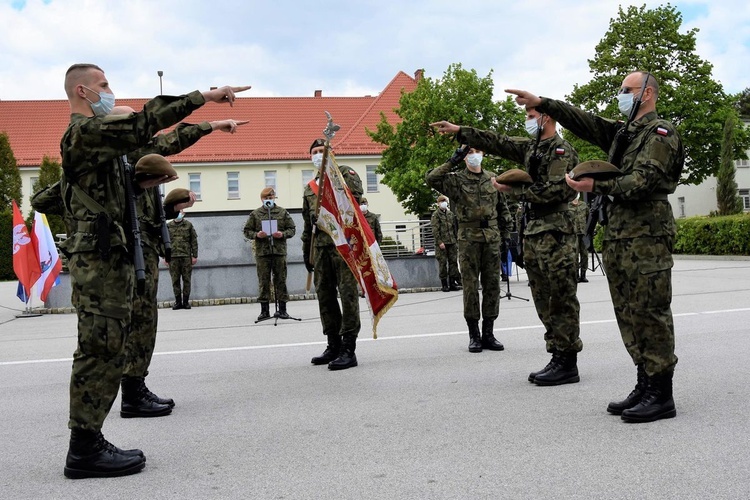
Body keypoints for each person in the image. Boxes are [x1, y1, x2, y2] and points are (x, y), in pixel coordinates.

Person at [58, 62, 249, 479]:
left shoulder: (102, 145)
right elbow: (147, 123)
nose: (109, 91)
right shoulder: (83, 134)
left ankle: (90, 441)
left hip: (112, 258)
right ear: (81, 92)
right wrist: (204, 97)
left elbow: (159, 138)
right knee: (99, 350)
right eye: (103, 85)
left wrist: (209, 124)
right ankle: (84, 449)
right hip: (99, 262)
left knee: (109, 348)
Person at [506, 71, 684, 422]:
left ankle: (662, 392)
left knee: (650, 312)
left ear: (646, 94)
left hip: (647, 236)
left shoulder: (661, 132)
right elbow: (584, 122)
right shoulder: (625, 133)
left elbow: (642, 180)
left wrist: (595, 186)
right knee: (629, 312)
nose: (620, 96)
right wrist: (544, 103)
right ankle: (645, 381)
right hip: (619, 236)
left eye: (626, 91)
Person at [111, 106, 248, 419]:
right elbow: (171, 140)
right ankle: (131, 392)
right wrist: (213, 124)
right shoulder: (125, 154)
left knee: (145, 322)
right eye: (134, 120)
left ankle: (136, 386)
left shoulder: (133, 160)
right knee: (136, 322)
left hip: (143, 247)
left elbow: (144, 212)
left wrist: (172, 210)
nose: (144, 127)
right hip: (128, 251)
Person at [432, 113, 581, 383]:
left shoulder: (560, 150)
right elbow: (496, 141)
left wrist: (511, 204)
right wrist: (460, 134)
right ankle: (555, 354)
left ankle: (565, 358)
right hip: (506, 233)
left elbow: (551, 192)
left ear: (546, 117)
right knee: (540, 296)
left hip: (548, 231)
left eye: (530, 115)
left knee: (558, 296)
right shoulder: (530, 149)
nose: (526, 119)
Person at [425, 144, 511, 353]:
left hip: (491, 238)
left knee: (492, 285)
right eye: (469, 153)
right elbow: (431, 179)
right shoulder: (456, 180)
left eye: (477, 152)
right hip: (468, 239)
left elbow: (503, 209)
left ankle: (489, 333)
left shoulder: (493, 178)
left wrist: (506, 237)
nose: (474, 156)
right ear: (464, 157)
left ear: (484, 154)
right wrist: (452, 160)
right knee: (470, 287)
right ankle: (474, 334)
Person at [303, 138, 364, 370]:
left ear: (331, 154)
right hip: (320, 249)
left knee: (347, 295)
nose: (318, 155)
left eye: (322, 151)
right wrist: (306, 254)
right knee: (325, 296)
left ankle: (349, 348)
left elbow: (354, 204)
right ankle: (333, 344)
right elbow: (307, 226)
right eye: (315, 152)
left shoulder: (345, 175)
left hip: (343, 245)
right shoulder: (310, 188)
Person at [243, 186, 296, 321]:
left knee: (281, 281)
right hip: (263, 253)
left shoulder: (282, 212)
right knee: (264, 281)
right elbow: (246, 231)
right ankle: (264, 311)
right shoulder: (255, 214)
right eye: (266, 198)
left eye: (271, 198)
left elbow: (292, 229)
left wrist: (282, 234)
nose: (269, 200)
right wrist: (257, 235)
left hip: (278, 252)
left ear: (274, 198)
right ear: (262, 199)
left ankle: (282, 310)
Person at [167, 210, 198, 309]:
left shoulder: (188, 225)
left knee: (187, 280)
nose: (179, 214)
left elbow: (194, 241)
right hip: (173, 257)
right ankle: (177, 302)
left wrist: (194, 256)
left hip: (186, 257)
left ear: (183, 213)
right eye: (177, 212)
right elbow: (164, 242)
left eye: (180, 212)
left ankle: (185, 302)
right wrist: (165, 256)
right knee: (175, 280)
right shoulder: (168, 226)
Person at [430, 195, 461, 292]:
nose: (444, 203)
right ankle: (444, 284)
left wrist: (456, 240)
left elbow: (454, 228)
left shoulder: (450, 214)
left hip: (452, 241)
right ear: (438, 203)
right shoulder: (436, 215)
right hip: (442, 243)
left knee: (453, 263)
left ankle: (452, 283)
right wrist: (440, 242)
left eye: (445, 201)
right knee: (443, 263)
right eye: (442, 201)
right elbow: (435, 230)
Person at [570, 196, 589, 283]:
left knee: (585, 254)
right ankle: (576, 275)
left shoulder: (584, 205)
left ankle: (583, 274)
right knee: (575, 254)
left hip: (584, 233)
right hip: (574, 233)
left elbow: (588, 217)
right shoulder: (568, 205)